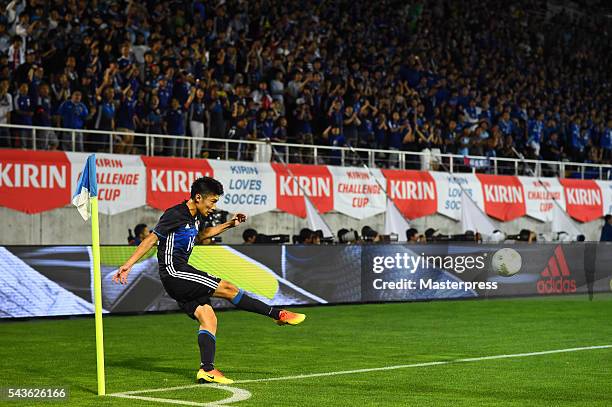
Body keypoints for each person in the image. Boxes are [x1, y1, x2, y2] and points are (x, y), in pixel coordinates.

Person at [113, 177, 305, 384]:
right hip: (174, 272)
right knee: (229, 288)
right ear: (198, 197)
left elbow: (201, 235)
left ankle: (207, 370)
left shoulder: (196, 217)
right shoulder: (175, 213)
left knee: (209, 318)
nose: (214, 206)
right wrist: (128, 264)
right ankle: (278, 314)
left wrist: (231, 224)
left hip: (180, 274)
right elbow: (152, 239)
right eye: (212, 201)